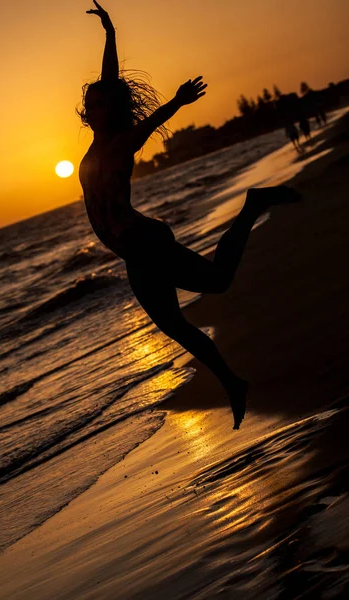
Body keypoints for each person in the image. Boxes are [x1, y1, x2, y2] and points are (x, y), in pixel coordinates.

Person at [78, 1, 302, 429]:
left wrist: (178, 102)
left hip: (143, 245)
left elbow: (145, 115)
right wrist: (108, 32)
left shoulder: (122, 141)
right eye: (91, 102)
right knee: (183, 318)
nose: (95, 107)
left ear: (114, 111)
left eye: (102, 104)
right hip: (136, 251)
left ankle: (253, 204)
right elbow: (110, 80)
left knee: (207, 293)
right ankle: (233, 384)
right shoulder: (95, 145)